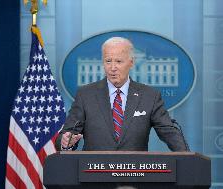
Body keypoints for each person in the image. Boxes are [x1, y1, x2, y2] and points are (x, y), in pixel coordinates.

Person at [55, 37, 189, 151]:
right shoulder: (86, 95)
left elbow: (169, 132)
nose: (113, 68)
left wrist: (186, 156)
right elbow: (67, 134)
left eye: (118, 61)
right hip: (94, 176)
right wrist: (65, 141)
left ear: (131, 62)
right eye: (108, 61)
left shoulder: (149, 96)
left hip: (135, 176)